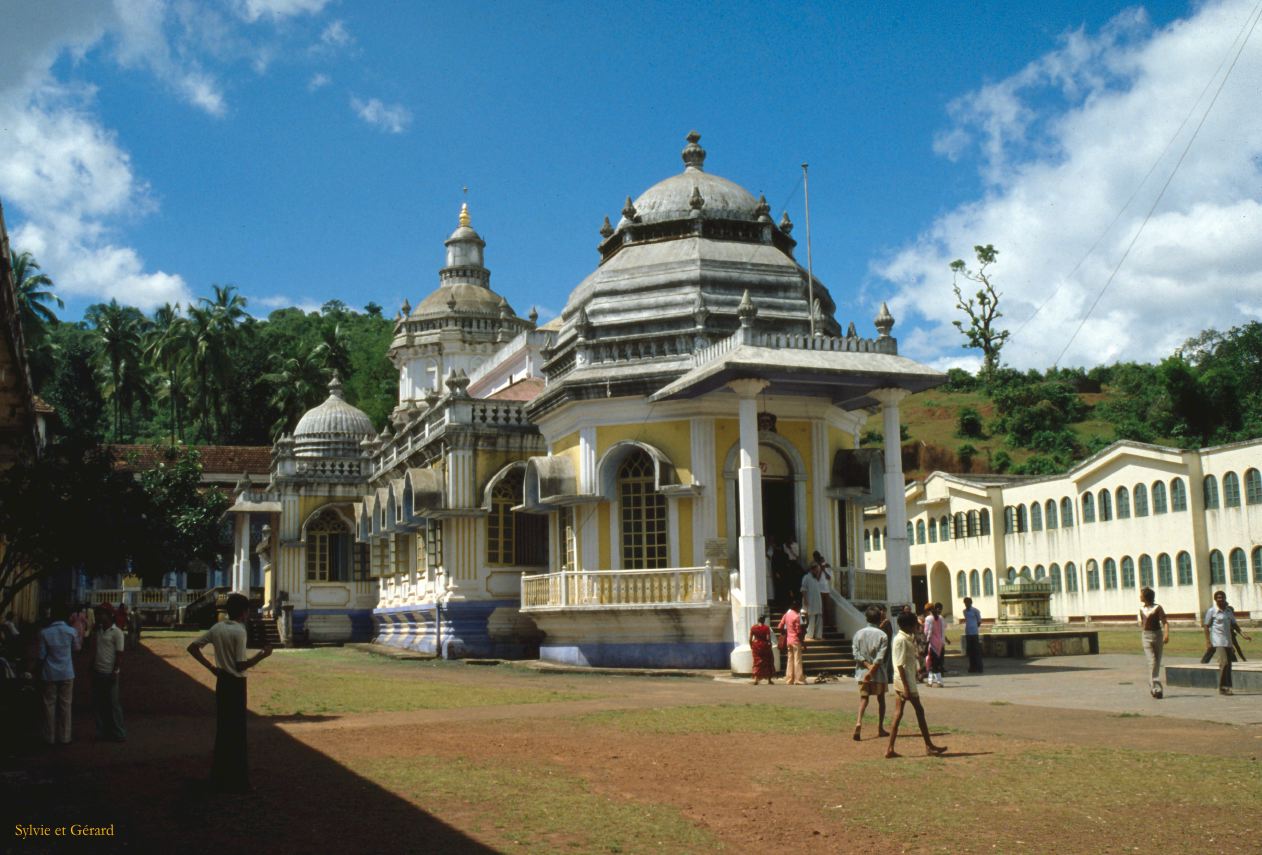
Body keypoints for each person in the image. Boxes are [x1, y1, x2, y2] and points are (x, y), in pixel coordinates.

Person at [187, 593, 273, 792]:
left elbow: (193, 648)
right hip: (236, 683)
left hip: (222, 681)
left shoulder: (217, 628)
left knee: (224, 729)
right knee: (237, 732)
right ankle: (238, 780)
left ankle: (220, 775)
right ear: (244, 612)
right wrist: (262, 655)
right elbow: (240, 664)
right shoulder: (239, 631)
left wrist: (211, 667)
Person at [886, 610, 948, 759]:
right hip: (905, 682)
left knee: (899, 714)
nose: (916, 627)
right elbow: (900, 665)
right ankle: (928, 745)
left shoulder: (905, 638)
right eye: (915, 624)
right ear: (908, 625)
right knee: (919, 712)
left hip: (905, 680)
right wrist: (907, 687)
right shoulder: (901, 640)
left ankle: (890, 748)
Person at [38, 603, 81, 745]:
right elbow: (77, 648)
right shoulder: (71, 631)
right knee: (65, 705)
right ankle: (64, 737)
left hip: (49, 672)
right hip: (67, 672)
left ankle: (48, 737)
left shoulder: (45, 632)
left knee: (49, 705)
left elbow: (42, 655)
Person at [852, 605, 889, 741]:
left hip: (862, 672)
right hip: (878, 673)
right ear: (879, 618)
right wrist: (873, 669)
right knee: (881, 699)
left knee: (864, 699)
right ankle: (880, 727)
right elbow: (881, 656)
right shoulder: (882, 635)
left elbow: (855, 653)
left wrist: (867, 666)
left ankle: (859, 722)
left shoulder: (858, 634)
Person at [1203, 590, 1250, 696]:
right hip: (1218, 641)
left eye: (1222, 597)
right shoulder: (1212, 611)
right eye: (1218, 598)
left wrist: (1243, 635)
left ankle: (1227, 687)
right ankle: (1222, 687)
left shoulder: (1228, 611)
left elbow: (1235, 625)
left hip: (1228, 641)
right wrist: (1208, 641)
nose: (1221, 599)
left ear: (1225, 598)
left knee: (1229, 665)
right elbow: (1206, 626)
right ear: (1215, 599)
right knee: (1224, 663)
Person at [92, 606, 126, 741]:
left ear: (109, 615)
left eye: (101, 614)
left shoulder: (117, 632)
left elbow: (119, 654)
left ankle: (119, 732)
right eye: (97, 614)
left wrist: (115, 671)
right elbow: (97, 650)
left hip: (109, 672)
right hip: (97, 670)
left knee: (113, 704)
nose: (98, 617)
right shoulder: (99, 631)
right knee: (99, 704)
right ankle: (102, 732)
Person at [1138, 587, 1169, 700]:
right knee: (1152, 661)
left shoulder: (1157, 608)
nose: (1140, 596)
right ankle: (1155, 687)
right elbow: (1143, 623)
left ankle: (1153, 684)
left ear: (1146, 596)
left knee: (1157, 661)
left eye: (1141, 594)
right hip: (1146, 636)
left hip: (1157, 635)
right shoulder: (1141, 609)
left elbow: (1165, 622)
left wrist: (1166, 634)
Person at [776, 598, 805, 685]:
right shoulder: (797, 616)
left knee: (790, 660)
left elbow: (780, 626)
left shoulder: (786, 615)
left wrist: (786, 632)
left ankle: (789, 679)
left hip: (789, 640)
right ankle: (799, 679)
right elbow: (799, 631)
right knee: (797, 660)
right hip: (796, 640)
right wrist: (803, 642)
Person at [923, 602, 950, 687]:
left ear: (927, 610)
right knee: (934, 662)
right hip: (941, 643)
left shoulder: (928, 618)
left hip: (932, 643)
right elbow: (944, 628)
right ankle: (930, 681)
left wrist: (926, 641)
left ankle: (939, 682)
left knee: (934, 663)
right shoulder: (941, 617)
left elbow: (927, 632)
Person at [800, 565, 825, 643]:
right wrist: (806, 600)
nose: (817, 572)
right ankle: (809, 635)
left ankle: (818, 635)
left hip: (817, 601)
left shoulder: (816, 578)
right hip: (810, 601)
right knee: (812, 618)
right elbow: (803, 589)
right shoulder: (806, 577)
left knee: (819, 618)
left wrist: (821, 569)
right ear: (812, 570)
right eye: (816, 570)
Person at [749, 615, 775, 685]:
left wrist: (751, 646)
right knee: (768, 661)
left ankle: (756, 679)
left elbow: (750, 639)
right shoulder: (766, 628)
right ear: (763, 620)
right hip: (764, 645)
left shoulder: (753, 628)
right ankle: (769, 679)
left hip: (756, 645)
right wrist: (769, 644)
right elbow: (768, 638)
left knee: (757, 662)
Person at [961, 597, 983, 674]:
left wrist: (975, 627)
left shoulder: (975, 611)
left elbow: (979, 621)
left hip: (974, 633)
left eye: (968, 602)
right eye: (965, 603)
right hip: (968, 633)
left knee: (976, 651)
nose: (966, 604)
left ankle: (979, 667)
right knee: (970, 651)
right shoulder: (964, 612)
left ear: (971, 603)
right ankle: (972, 667)